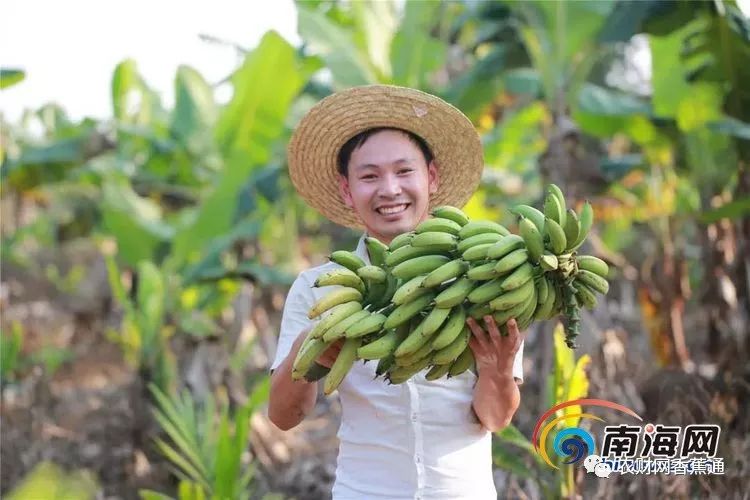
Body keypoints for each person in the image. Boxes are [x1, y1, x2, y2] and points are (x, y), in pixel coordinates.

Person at [268, 85, 525, 500]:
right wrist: (308, 349)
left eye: (404, 172)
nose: (389, 190)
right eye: (369, 176)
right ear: (348, 191)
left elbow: (494, 418)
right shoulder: (321, 290)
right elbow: (283, 416)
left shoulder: (484, 279)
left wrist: (498, 371)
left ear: (432, 177)